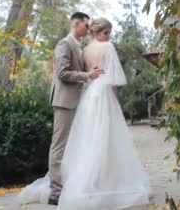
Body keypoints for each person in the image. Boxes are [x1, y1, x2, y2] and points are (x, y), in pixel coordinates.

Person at [18, 17, 150, 209]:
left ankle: (78, 184)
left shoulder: (84, 49)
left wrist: (89, 79)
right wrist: (110, 95)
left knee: (85, 140)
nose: (108, 36)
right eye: (106, 32)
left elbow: (83, 72)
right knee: (103, 139)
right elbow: (114, 79)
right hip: (98, 93)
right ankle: (68, 188)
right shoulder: (100, 46)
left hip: (87, 96)